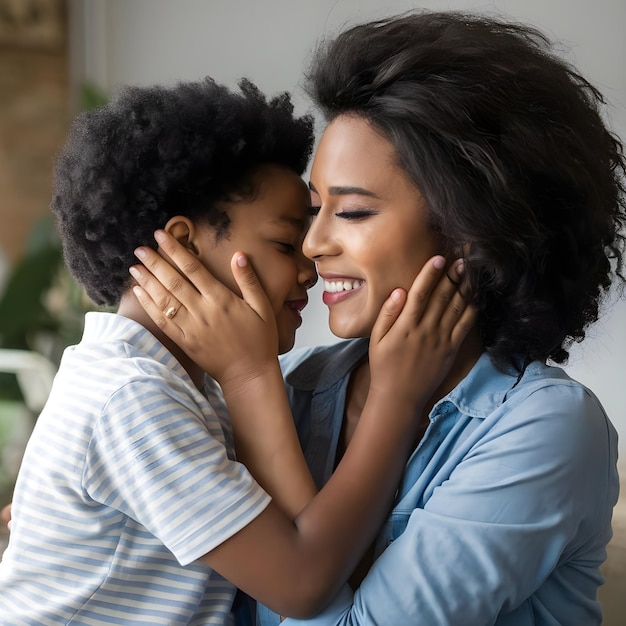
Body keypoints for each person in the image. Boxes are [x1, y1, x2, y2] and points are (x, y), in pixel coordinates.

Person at [131, 10, 625, 626]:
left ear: (473, 230)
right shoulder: (310, 385)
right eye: (313, 211)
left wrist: (253, 379)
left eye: (354, 212)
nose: (311, 245)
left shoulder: (547, 427)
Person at [0, 76, 475, 623]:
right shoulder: (132, 398)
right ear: (180, 244)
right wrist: (396, 396)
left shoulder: (175, 389)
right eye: (283, 243)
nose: (310, 266)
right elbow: (302, 585)